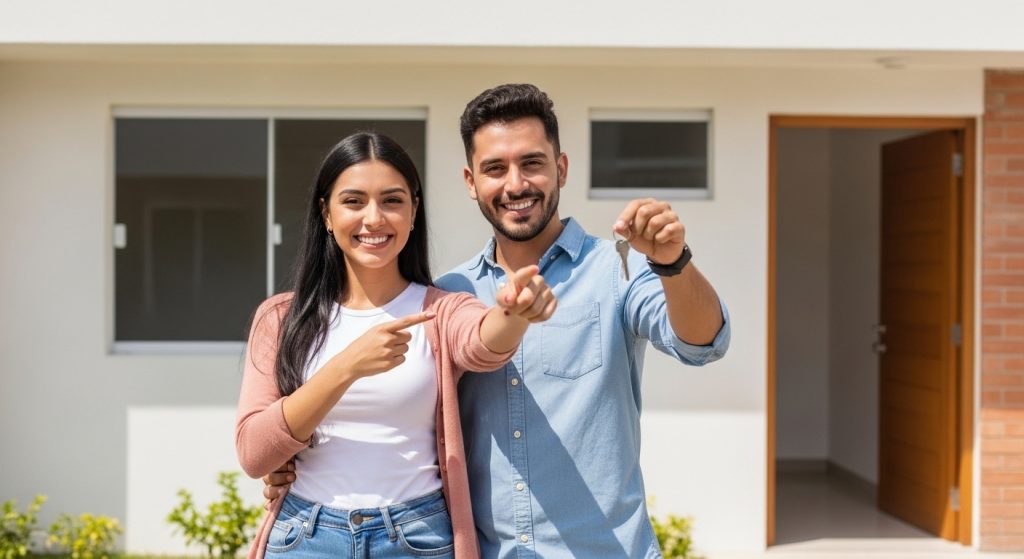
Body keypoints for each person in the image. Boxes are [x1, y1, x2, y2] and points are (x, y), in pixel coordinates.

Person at [264, 84, 731, 558]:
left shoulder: (616, 269)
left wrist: (673, 264)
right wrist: (302, 462)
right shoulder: (449, 294)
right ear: (471, 182)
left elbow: (703, 343)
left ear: (561, 169)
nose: (515, 185)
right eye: (495, 169)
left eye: (531, 163)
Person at [235, 131, 557, 559]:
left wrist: (516, 312)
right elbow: (255, 453)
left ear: (413, 211)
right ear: (326, 214)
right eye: (353, 202)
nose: (374, 219)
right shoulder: (280, 318)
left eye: (392, 200)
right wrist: (346, 366)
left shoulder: (439, 310)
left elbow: (483, 342)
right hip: (305, 538)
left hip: (415, 538)